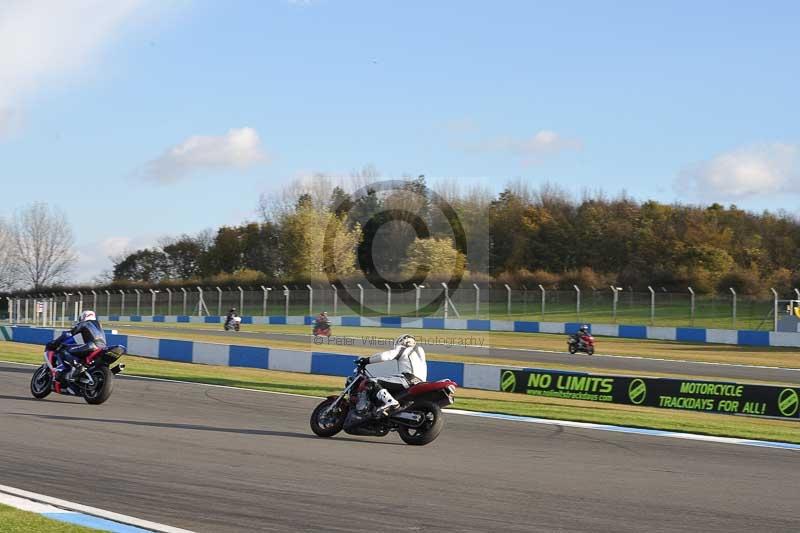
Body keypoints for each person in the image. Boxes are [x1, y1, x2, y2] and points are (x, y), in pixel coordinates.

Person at [356, 334, 426, 415]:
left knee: (372, 381)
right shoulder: (419, 356)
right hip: (419, 383)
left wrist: (366, 360)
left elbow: (384, 356)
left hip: (407, 379)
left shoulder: (404, 350)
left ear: (402, 341)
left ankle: (391, 402)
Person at [46, 310, 107, 382]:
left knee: (65, 350)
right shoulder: (99, 325)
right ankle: (82, 371)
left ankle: (76, 367)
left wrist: (56, 342)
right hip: (103, 347)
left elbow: (68, 334)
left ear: (83, 317)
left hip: (92, 346)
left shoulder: (84, 323)